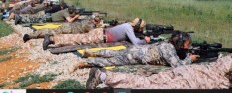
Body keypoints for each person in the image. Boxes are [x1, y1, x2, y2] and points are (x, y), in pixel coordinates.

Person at [86, 44, 232, 89]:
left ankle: (103, 75)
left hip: (185, 72)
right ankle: (103, 76)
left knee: (147, 81)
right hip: (192, 82)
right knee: (148, 87)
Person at [68, 31, 199, 72]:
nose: (189, 44)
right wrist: (190, 59)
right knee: (108, 61)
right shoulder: (169, 49)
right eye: (187, 43)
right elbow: (177, 66)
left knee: (112, 52)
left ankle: (92, 52)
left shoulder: (166, 43)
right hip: (134, 56)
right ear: (180, 43)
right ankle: (84, 62)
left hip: (134, 49)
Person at [42, 18, 151, 50]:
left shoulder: (127, 25)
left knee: (77, 37)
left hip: (100, 33)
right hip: (99, 36)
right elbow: (136, 43)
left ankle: (52, 38)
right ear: (137, 27)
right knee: (76, 39)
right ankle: (51, 39)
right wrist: (145, 41)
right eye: (140, 29)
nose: (140, 30)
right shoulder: (128, 28)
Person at [22, 17, 98, 42]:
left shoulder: (86, 20)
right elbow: (94, 32)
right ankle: (29, 36)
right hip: (68, 29)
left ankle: (31, 35)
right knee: (50, 32)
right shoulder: (89, 25)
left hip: (67, 26)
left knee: (49, 30)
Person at [14, 6, 80, 25]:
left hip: (50, 16)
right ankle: (20, 18)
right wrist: (76, 17)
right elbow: (70, 21)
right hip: (49, 18)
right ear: (71, 11)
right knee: (35, 20)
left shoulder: (66, 10)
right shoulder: (66, 12)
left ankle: (20, 18)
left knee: (35, 18)